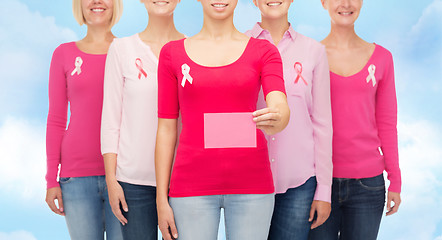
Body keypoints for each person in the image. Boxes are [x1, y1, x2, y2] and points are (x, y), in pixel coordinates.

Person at [155, 0, 290, 239]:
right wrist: (161, 199)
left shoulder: (264, 51)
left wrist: (279, 115)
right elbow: (166, 127)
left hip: (253, 185)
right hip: (190, 187)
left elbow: (279, 102)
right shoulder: (172, 54)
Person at [309, 0, 402, 239]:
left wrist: (395, 179)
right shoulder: (310, 56)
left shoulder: (382, 58)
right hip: (319, 182)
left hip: (368, 185)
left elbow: (387, 122)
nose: (346, 4)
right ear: (323, 3)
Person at [246, 0, 333, 239]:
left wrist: (324, 190)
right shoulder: (237, 46)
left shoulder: (313, 51)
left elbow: (323, 123)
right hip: (247, 181)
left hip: (299, 182)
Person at [101, 0, 184, 239]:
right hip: (132, 181)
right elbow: (111, 119)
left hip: (181, 178)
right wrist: (111, 180)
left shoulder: (191, 48)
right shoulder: (121, 49)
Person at [45, 0, 123, 239]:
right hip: (75, 178)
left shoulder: (129, 51)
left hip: (124, 176)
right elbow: (56, 120)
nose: (97, 2)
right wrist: (51, 179)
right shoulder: (63, 54)